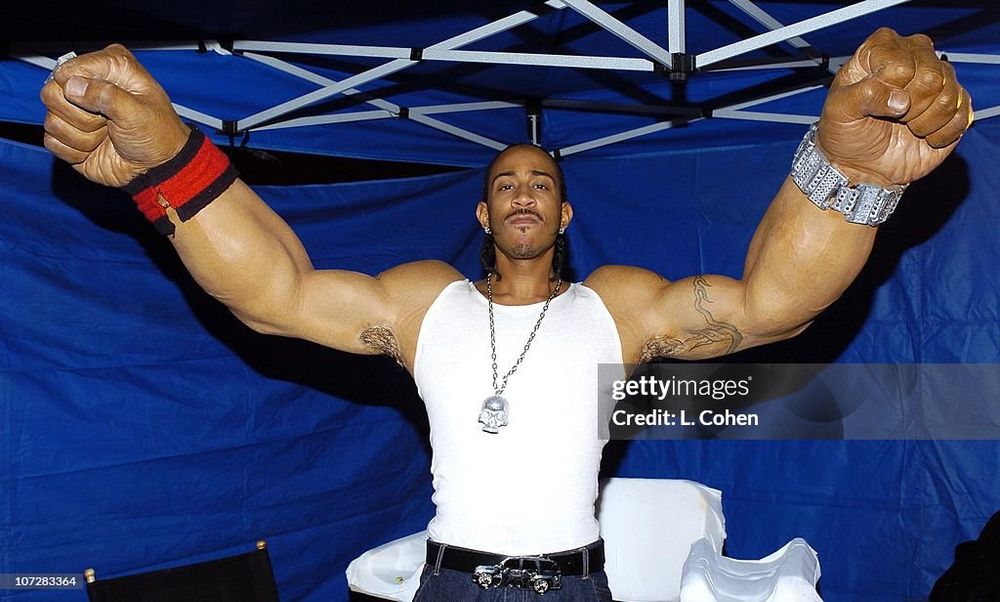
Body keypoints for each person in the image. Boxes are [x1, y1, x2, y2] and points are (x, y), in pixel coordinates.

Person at [40, 28, 971, 601]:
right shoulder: (422, 304)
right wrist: (169, 162)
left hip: (575, 587)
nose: (524, 191)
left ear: (564, 216)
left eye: (542, 184)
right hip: (450, 583)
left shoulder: (617, 309)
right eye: (505, 184)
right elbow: (274, 296)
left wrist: (849, 175)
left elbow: (773, 307)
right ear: (484, 216)